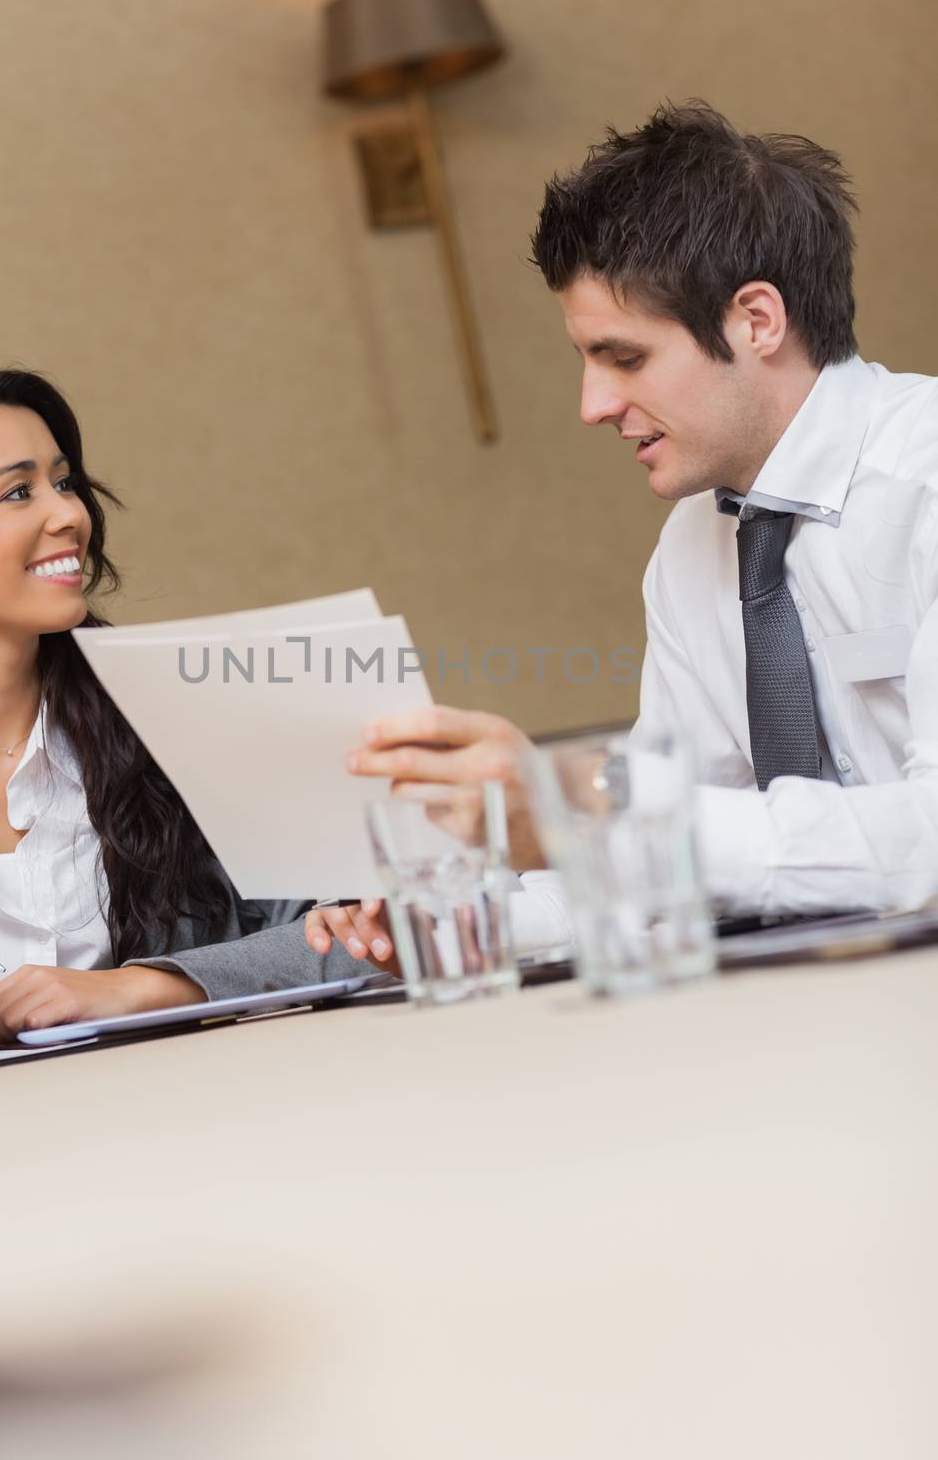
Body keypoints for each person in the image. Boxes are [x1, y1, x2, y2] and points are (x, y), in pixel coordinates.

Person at [307, 100, 938, 964]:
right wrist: (461, 922)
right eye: (586, 360)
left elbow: (927, 838)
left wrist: (583, 803)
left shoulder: (927, 480)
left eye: (624, 357)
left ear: (756, 320)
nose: (592, 406)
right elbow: (658, 866)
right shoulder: (695, 543)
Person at [0, 368, 360, 1059]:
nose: (69, 514)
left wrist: (149, 987)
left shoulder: (180, 712)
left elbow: (374, 925)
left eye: (63, 482)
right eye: (18, 491)